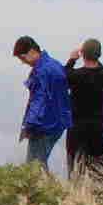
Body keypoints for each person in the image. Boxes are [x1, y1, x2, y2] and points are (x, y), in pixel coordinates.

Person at [13, 36, 70, 171]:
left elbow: (39, 101)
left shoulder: (42, 71)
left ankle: (50, 192)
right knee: (38, 164)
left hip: (45, 124)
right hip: (57, 122)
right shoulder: (54, 64)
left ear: (32, 51)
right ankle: (51, 190)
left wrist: (28, 126)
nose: (24, 62)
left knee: (33, 167)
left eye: (23, 58)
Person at [64, 38, 103, 182]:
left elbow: (63, 75)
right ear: (99, 55)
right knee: (101, 174)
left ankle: (77, 201)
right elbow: (101, 69)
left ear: (83, 54)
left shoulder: (74, 76)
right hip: (99, 131)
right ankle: (102, 202)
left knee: (75, 174)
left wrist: (72, 59)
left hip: (77, 132)